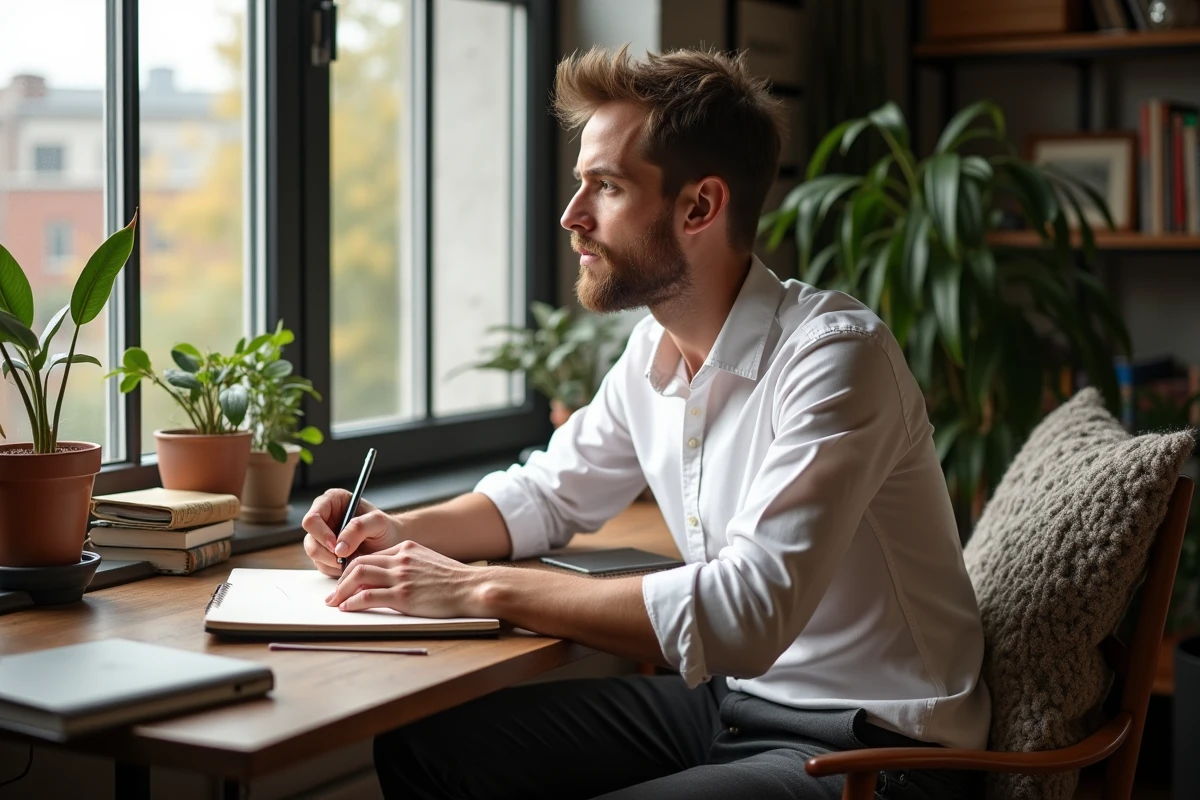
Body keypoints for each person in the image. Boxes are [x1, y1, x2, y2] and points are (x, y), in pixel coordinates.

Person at [302, 46, 989, 800]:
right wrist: (401, 533)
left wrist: (477, 589)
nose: (572, 216)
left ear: (699, 207)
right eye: (580, 185)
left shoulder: (835, 357)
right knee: (428, 746)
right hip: (734, 706)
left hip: (879, 748)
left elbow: (746, 614)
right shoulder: (653, 354)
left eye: (607, 187)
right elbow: (550, 495)